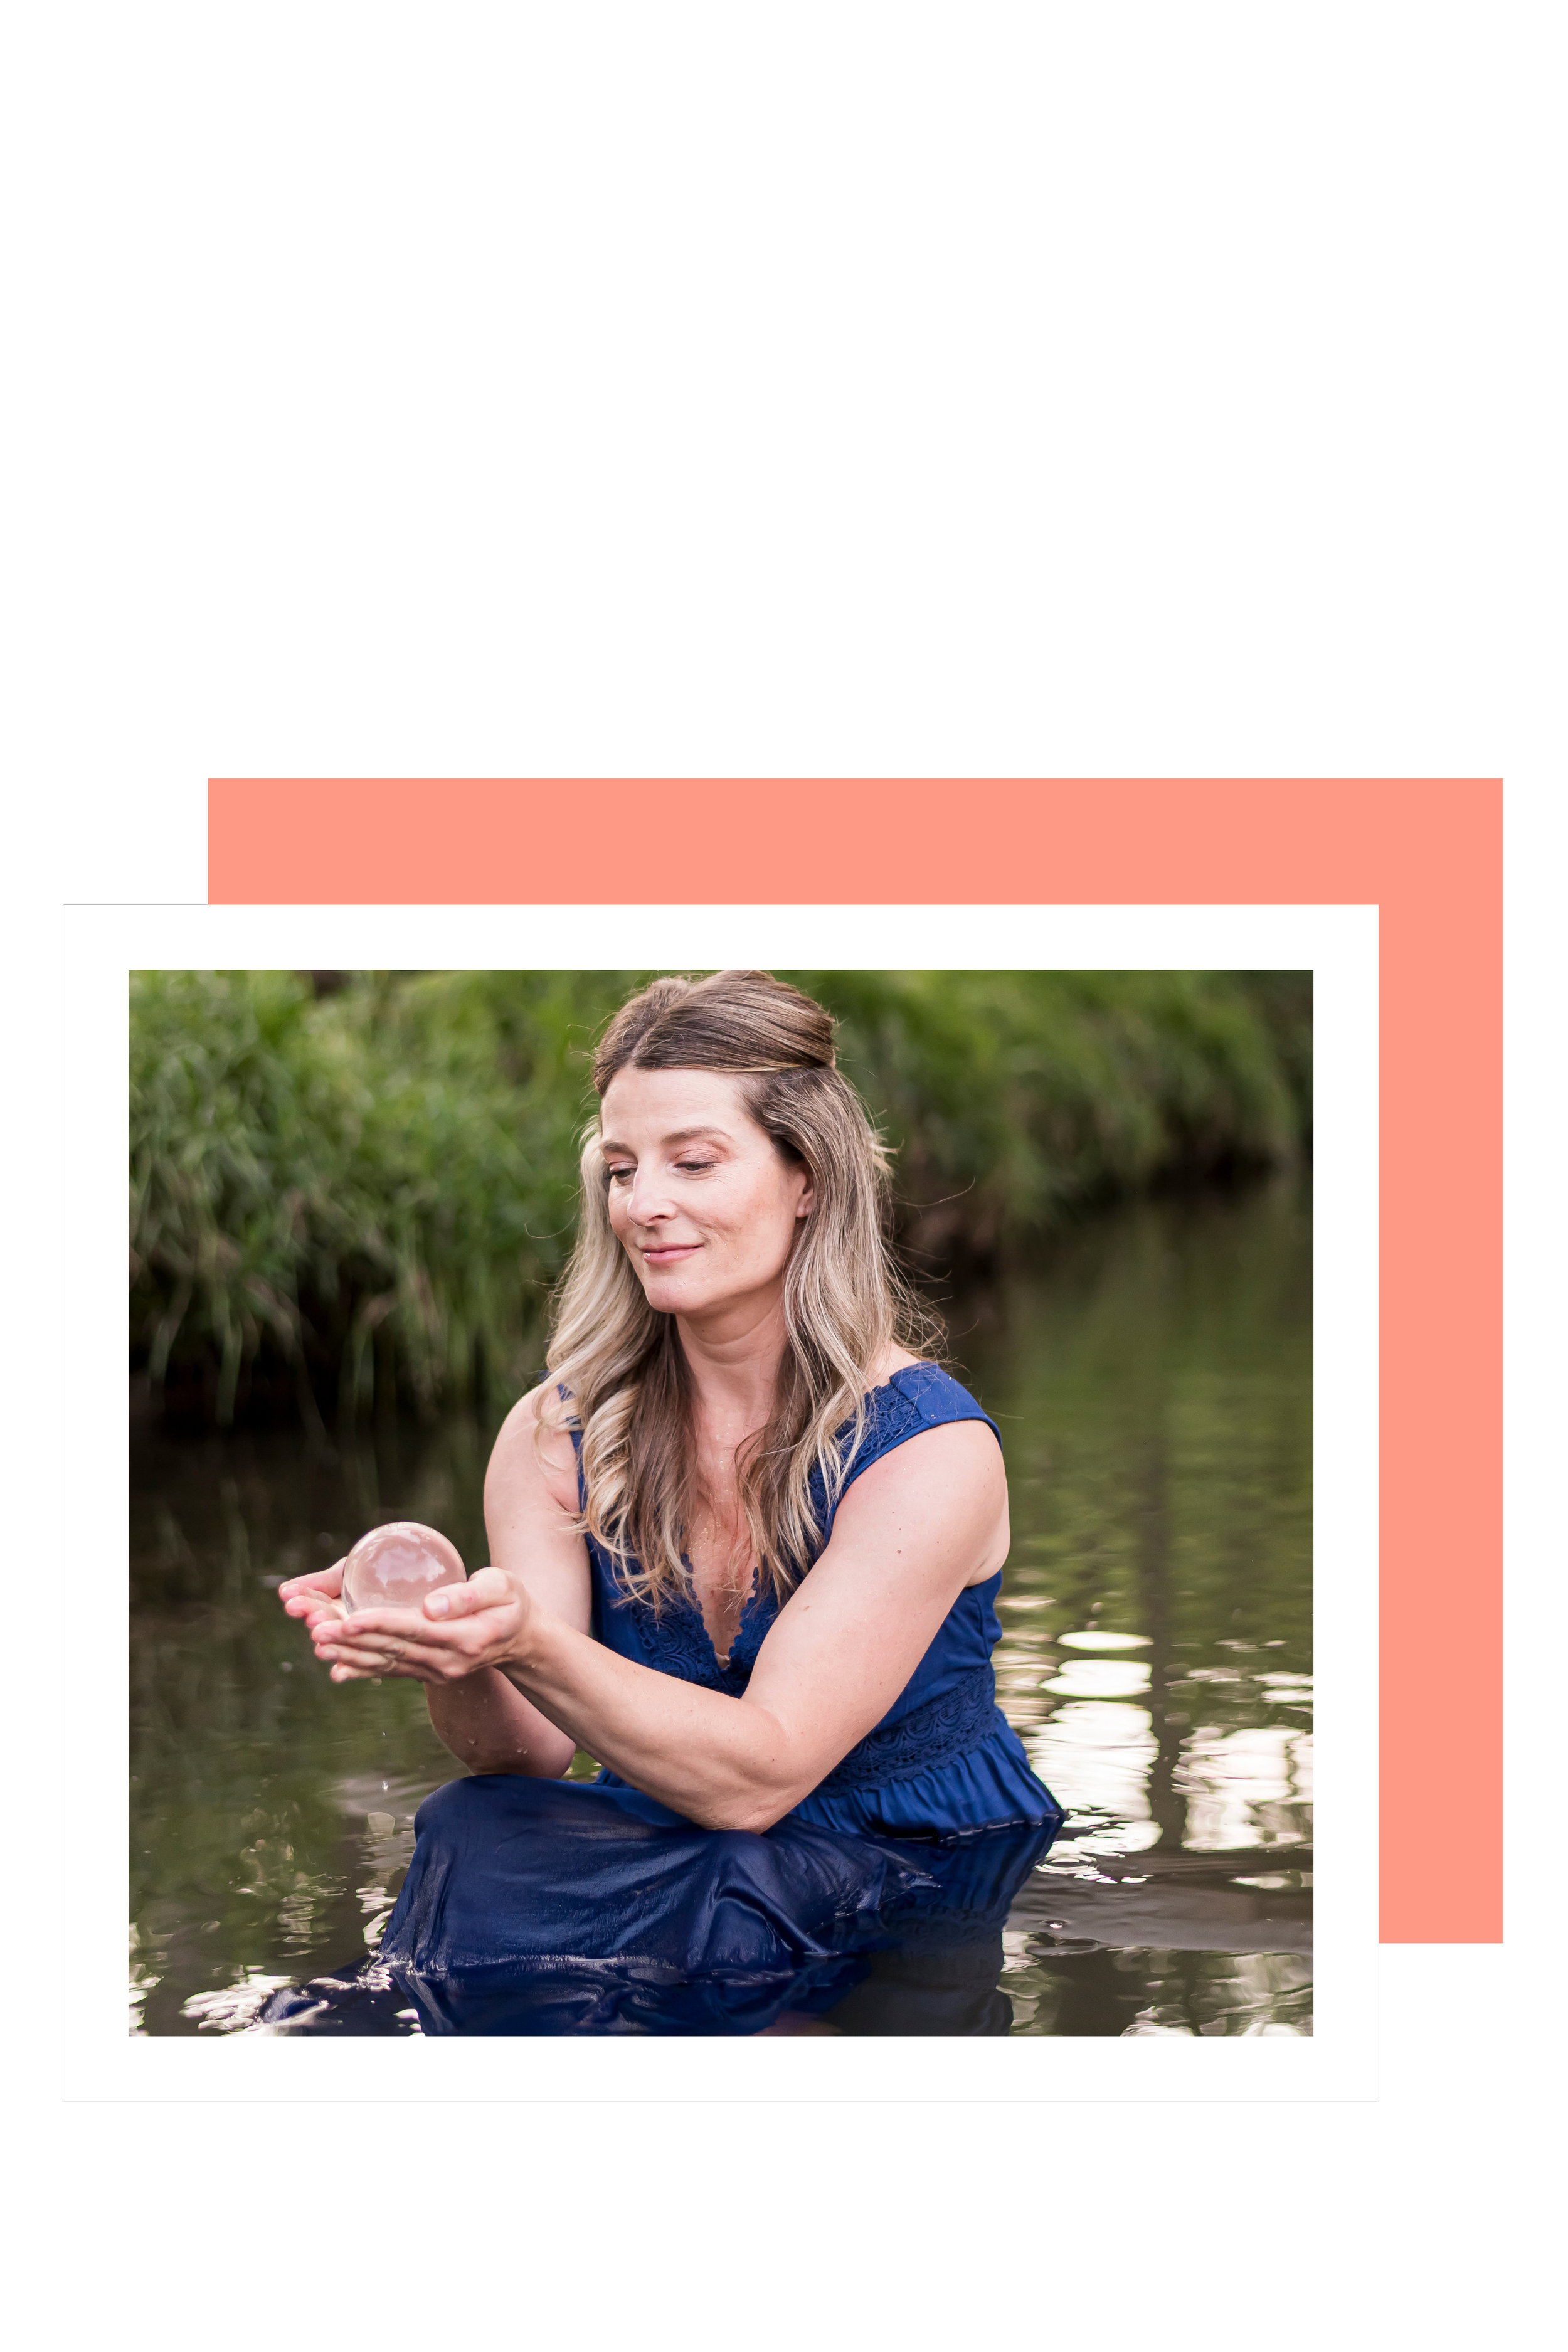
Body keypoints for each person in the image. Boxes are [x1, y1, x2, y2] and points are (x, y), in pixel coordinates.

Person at [278, 972, 1060, 1990]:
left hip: (915, 1865)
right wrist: (460, 1647)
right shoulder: (557, 1434)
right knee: (472, 1825)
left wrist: (529, 1635)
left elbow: (764, 1773)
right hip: (691, 1836)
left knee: (727, 1910)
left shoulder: (927, 1449)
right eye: (620, 1168)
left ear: (807, 1176)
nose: (644, 1205)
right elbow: (526, 1756)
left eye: (693, 1161)